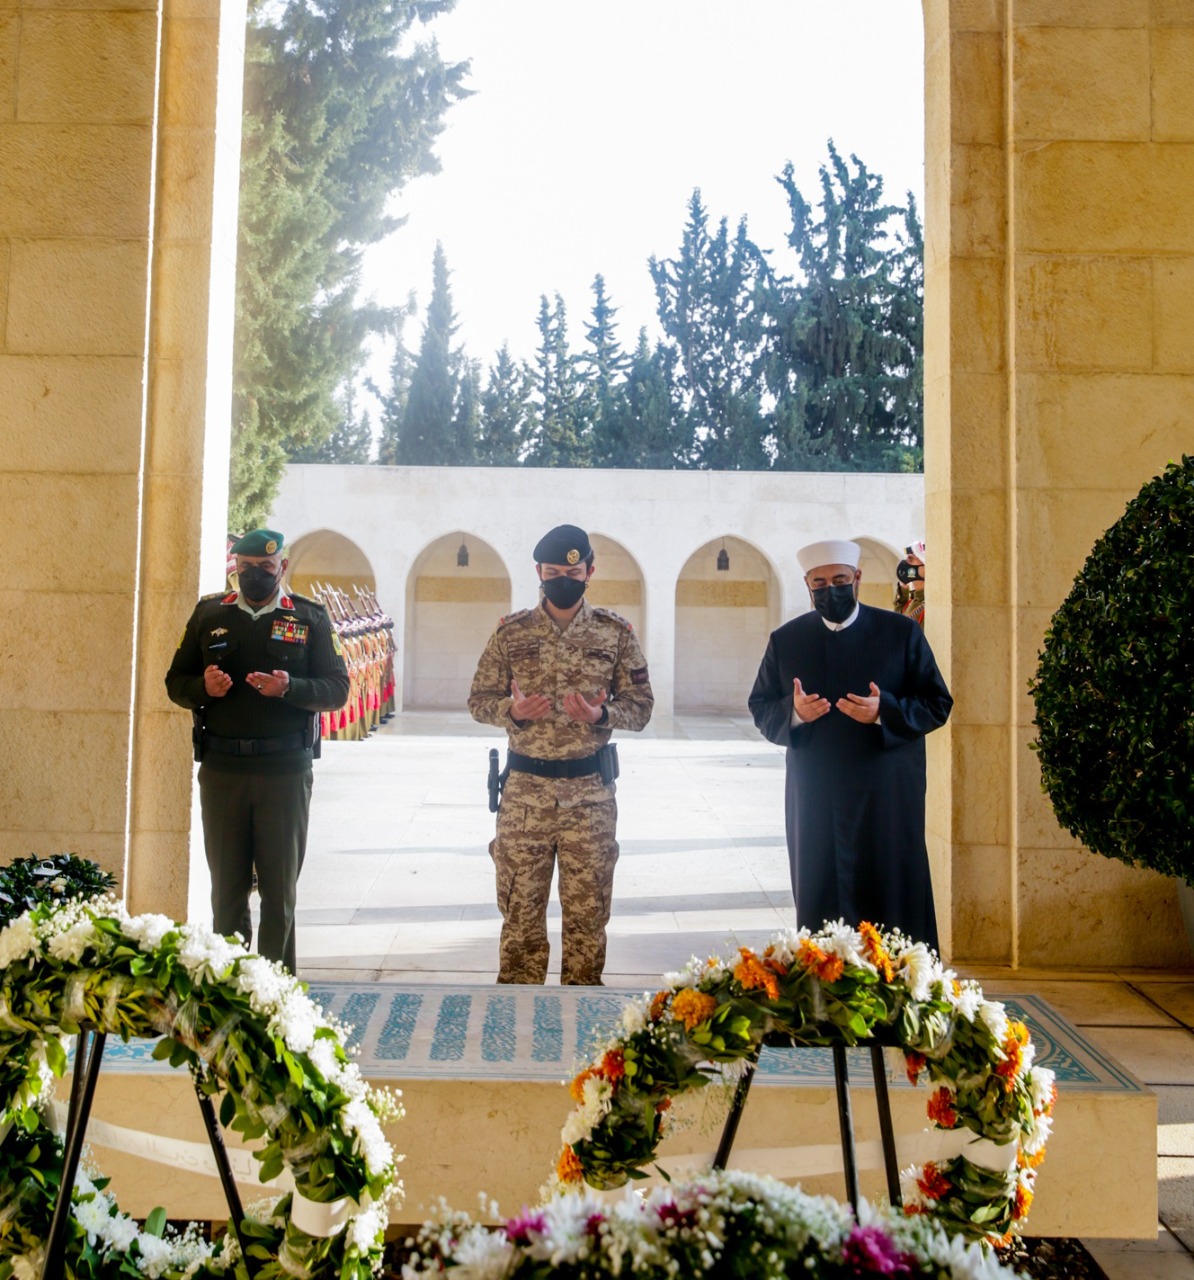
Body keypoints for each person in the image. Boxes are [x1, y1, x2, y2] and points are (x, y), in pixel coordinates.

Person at [468, 524, 654, 985]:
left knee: (588, 919)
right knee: (520, 917)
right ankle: (517, 1011)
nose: (562, 580)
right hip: (524, 800)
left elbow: (641, 707)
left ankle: (583, 1012)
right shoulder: (511, 633)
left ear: (590, 571)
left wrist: (602, 714)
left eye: (572, 572)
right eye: (553, 573)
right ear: (539, 573)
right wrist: (511, 711)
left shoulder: (614, 633)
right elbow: (479, 700)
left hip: (589, 800)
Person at [748, 539, 952, 949]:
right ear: (807, 585)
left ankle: (899, 979)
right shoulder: (787, 640)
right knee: (822, 895)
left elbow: (937, 703)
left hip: (887, 795)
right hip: (816, 796)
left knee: (891, 895)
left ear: (857, 578)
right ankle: (823, 977)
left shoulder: (901, 633)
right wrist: (794, 712)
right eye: (820, 583)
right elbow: (761, 705)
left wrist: (883, 711)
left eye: (840, 580)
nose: (831, 590)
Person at [165, 528, 349, 973]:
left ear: (282, 567)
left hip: (284, 772)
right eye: (246, 567)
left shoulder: (309, 617)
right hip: (222, 770)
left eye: (265, 567)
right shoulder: (209, 614)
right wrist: (203, 688)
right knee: (226, 892)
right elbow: (176, 683)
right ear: (236, 568)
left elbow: (337, 689)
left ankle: (275, 991)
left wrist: (291, 688)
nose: (255, 575)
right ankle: (229, 986)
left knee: (279, 892)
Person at [894, 539, 926, 627]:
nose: (905, 564)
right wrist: (903, 590)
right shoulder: (913, 601)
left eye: (911, 559)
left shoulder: (932, 605)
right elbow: (897, 619)